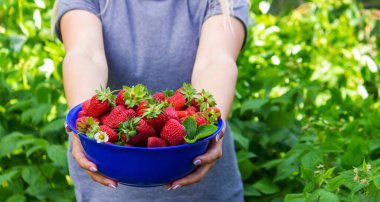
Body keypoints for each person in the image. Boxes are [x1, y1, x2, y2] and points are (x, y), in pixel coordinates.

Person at [55, 0, 249, 201]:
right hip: (109, 178)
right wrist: (86, 127)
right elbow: (85, 55)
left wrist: (208, 123)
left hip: (201, 176)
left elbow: (215, 59)